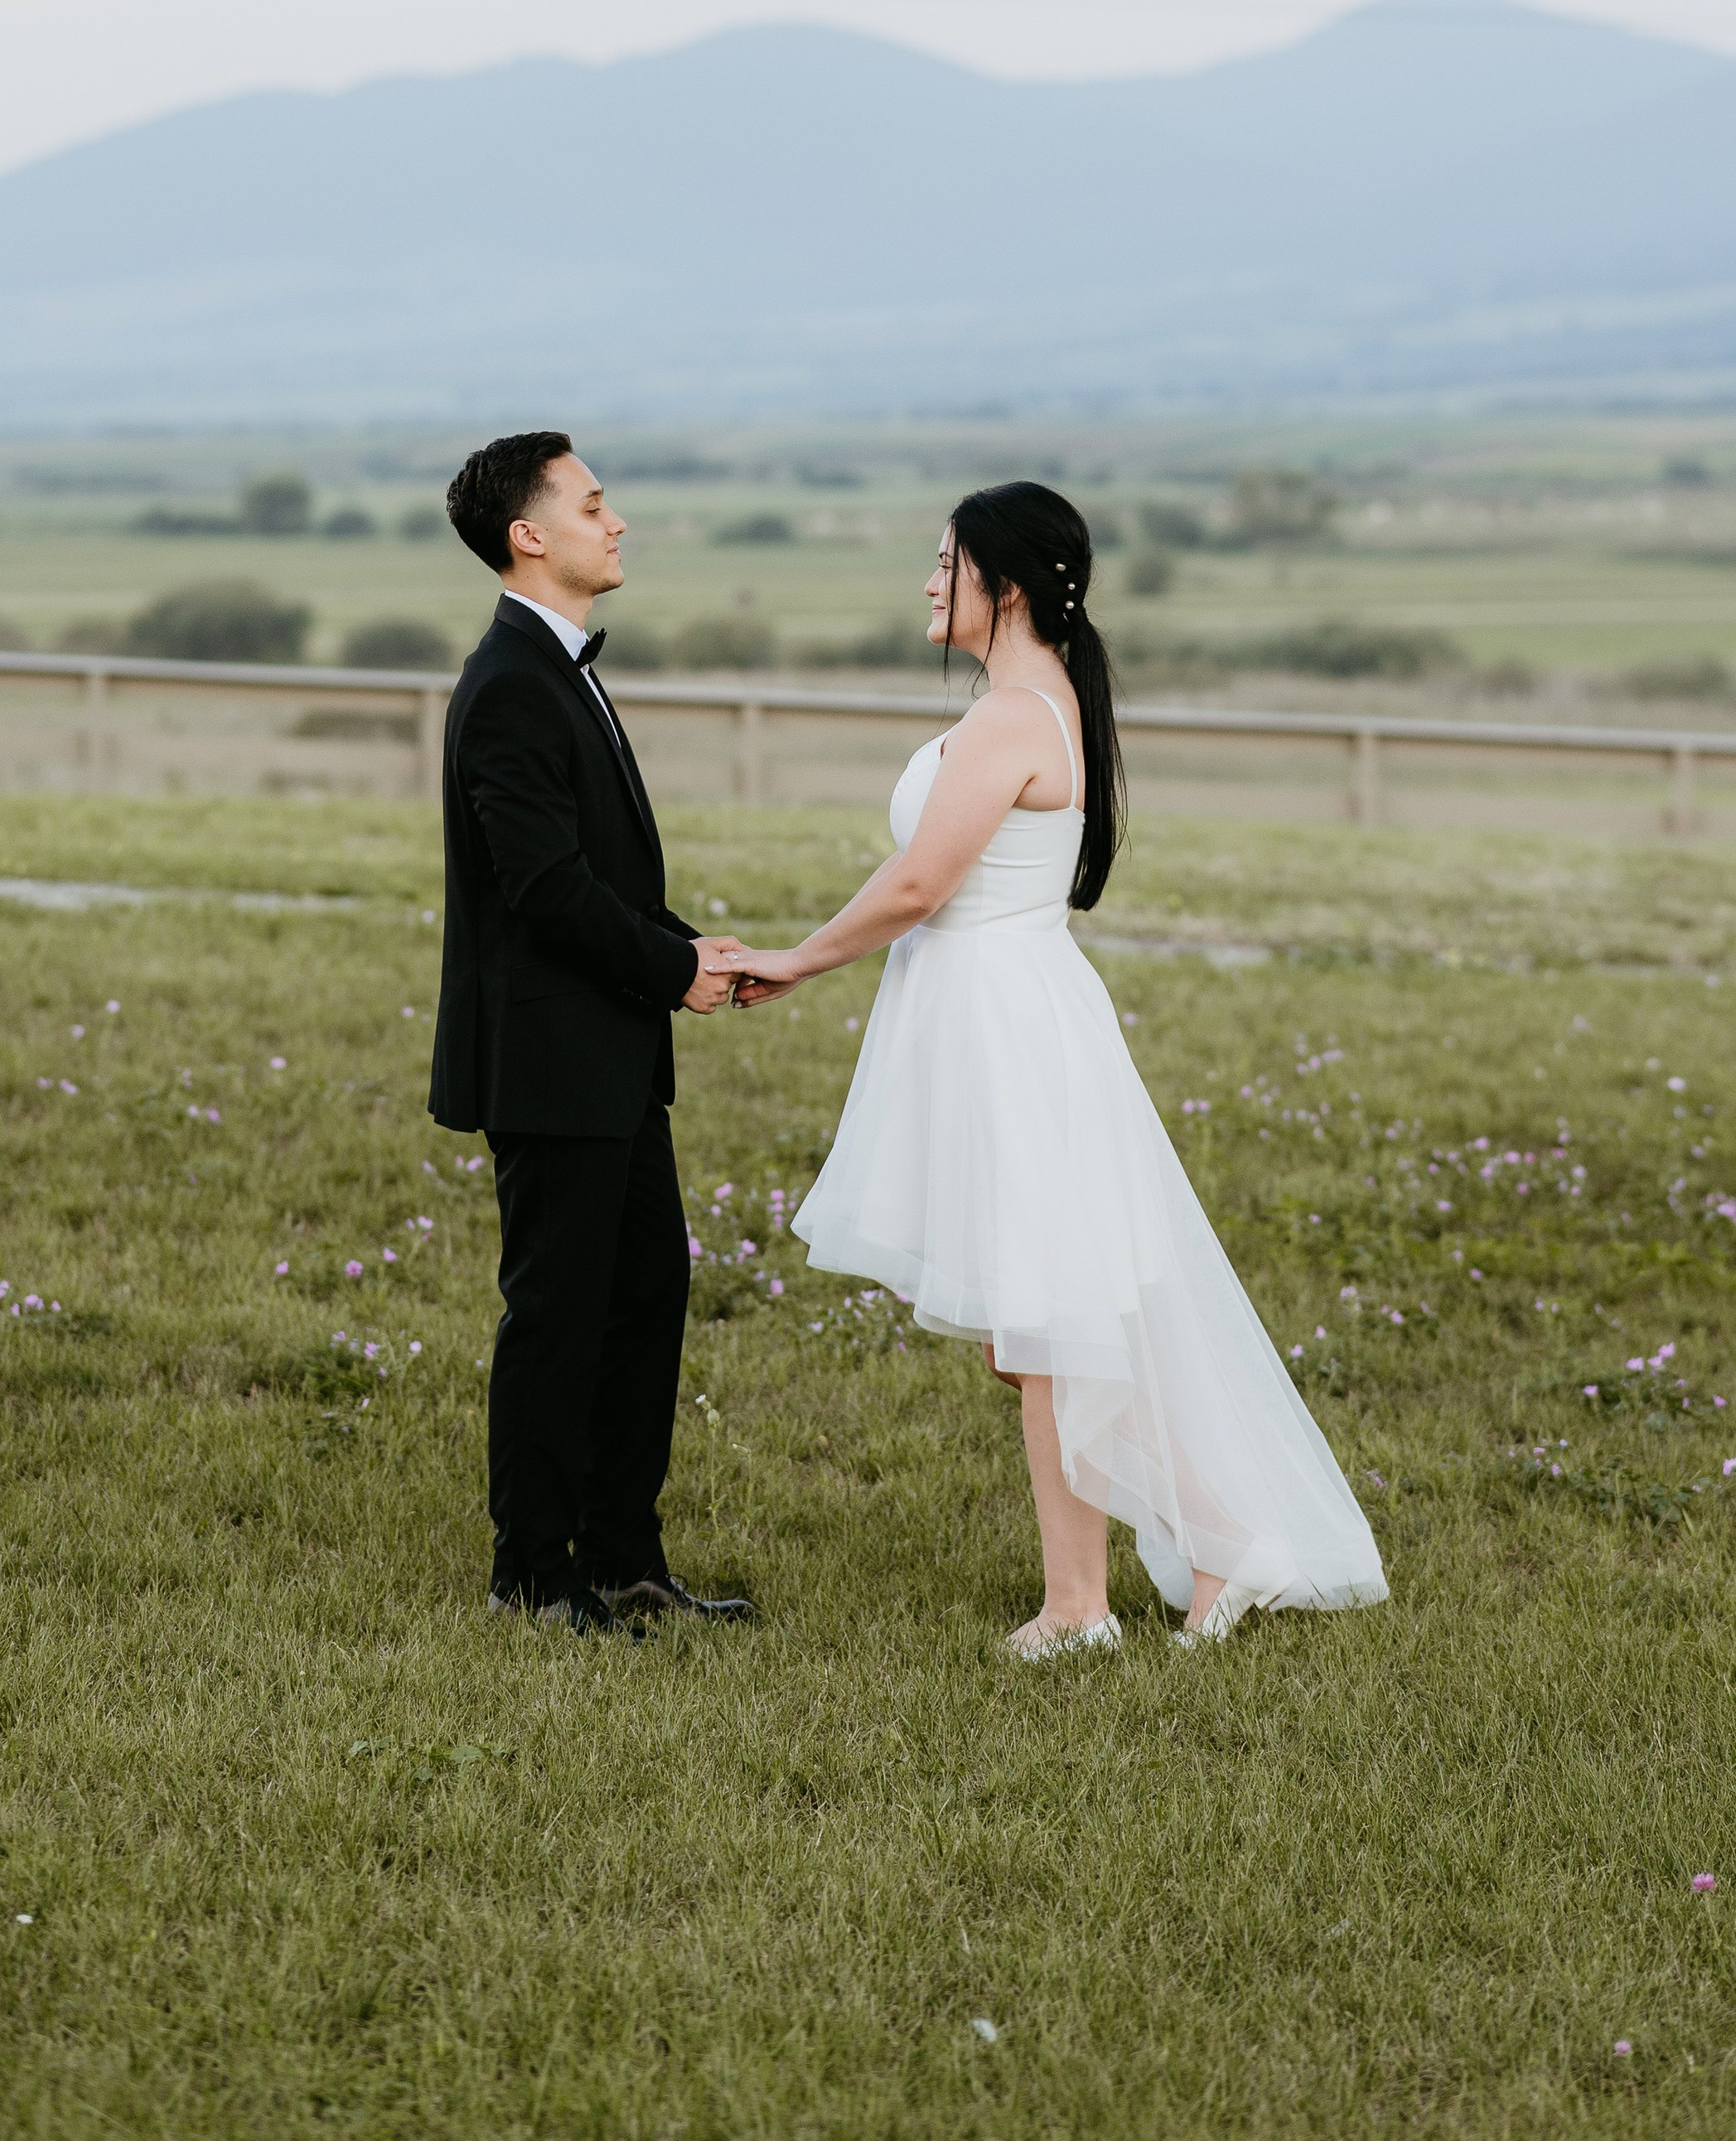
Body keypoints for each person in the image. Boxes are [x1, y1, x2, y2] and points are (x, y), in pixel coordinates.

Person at [724, 481, 1388, 1656]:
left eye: (947, 564)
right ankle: (1219, 1545)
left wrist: (797, 959)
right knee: (1025, 1331)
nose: (930, 583)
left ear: (1007, 586)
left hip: (1005, 1024)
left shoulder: (1015, 718)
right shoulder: (1038, 701)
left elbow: (922, 884)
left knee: (1040, 1325)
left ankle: (1085, 1605)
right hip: (994, 1011)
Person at [429, 430, 756, 1634]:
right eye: (593, 503)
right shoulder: (511, 679)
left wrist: (692, 948)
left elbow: (598, 872)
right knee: (560, 1314)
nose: (615, 522)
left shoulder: (558, 667)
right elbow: (546, 893)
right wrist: (672, 969)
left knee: (644, 1297)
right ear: (530, 536)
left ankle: (625, 1558)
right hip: (552, 1062)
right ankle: (532, 1576)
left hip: (611, 1060)